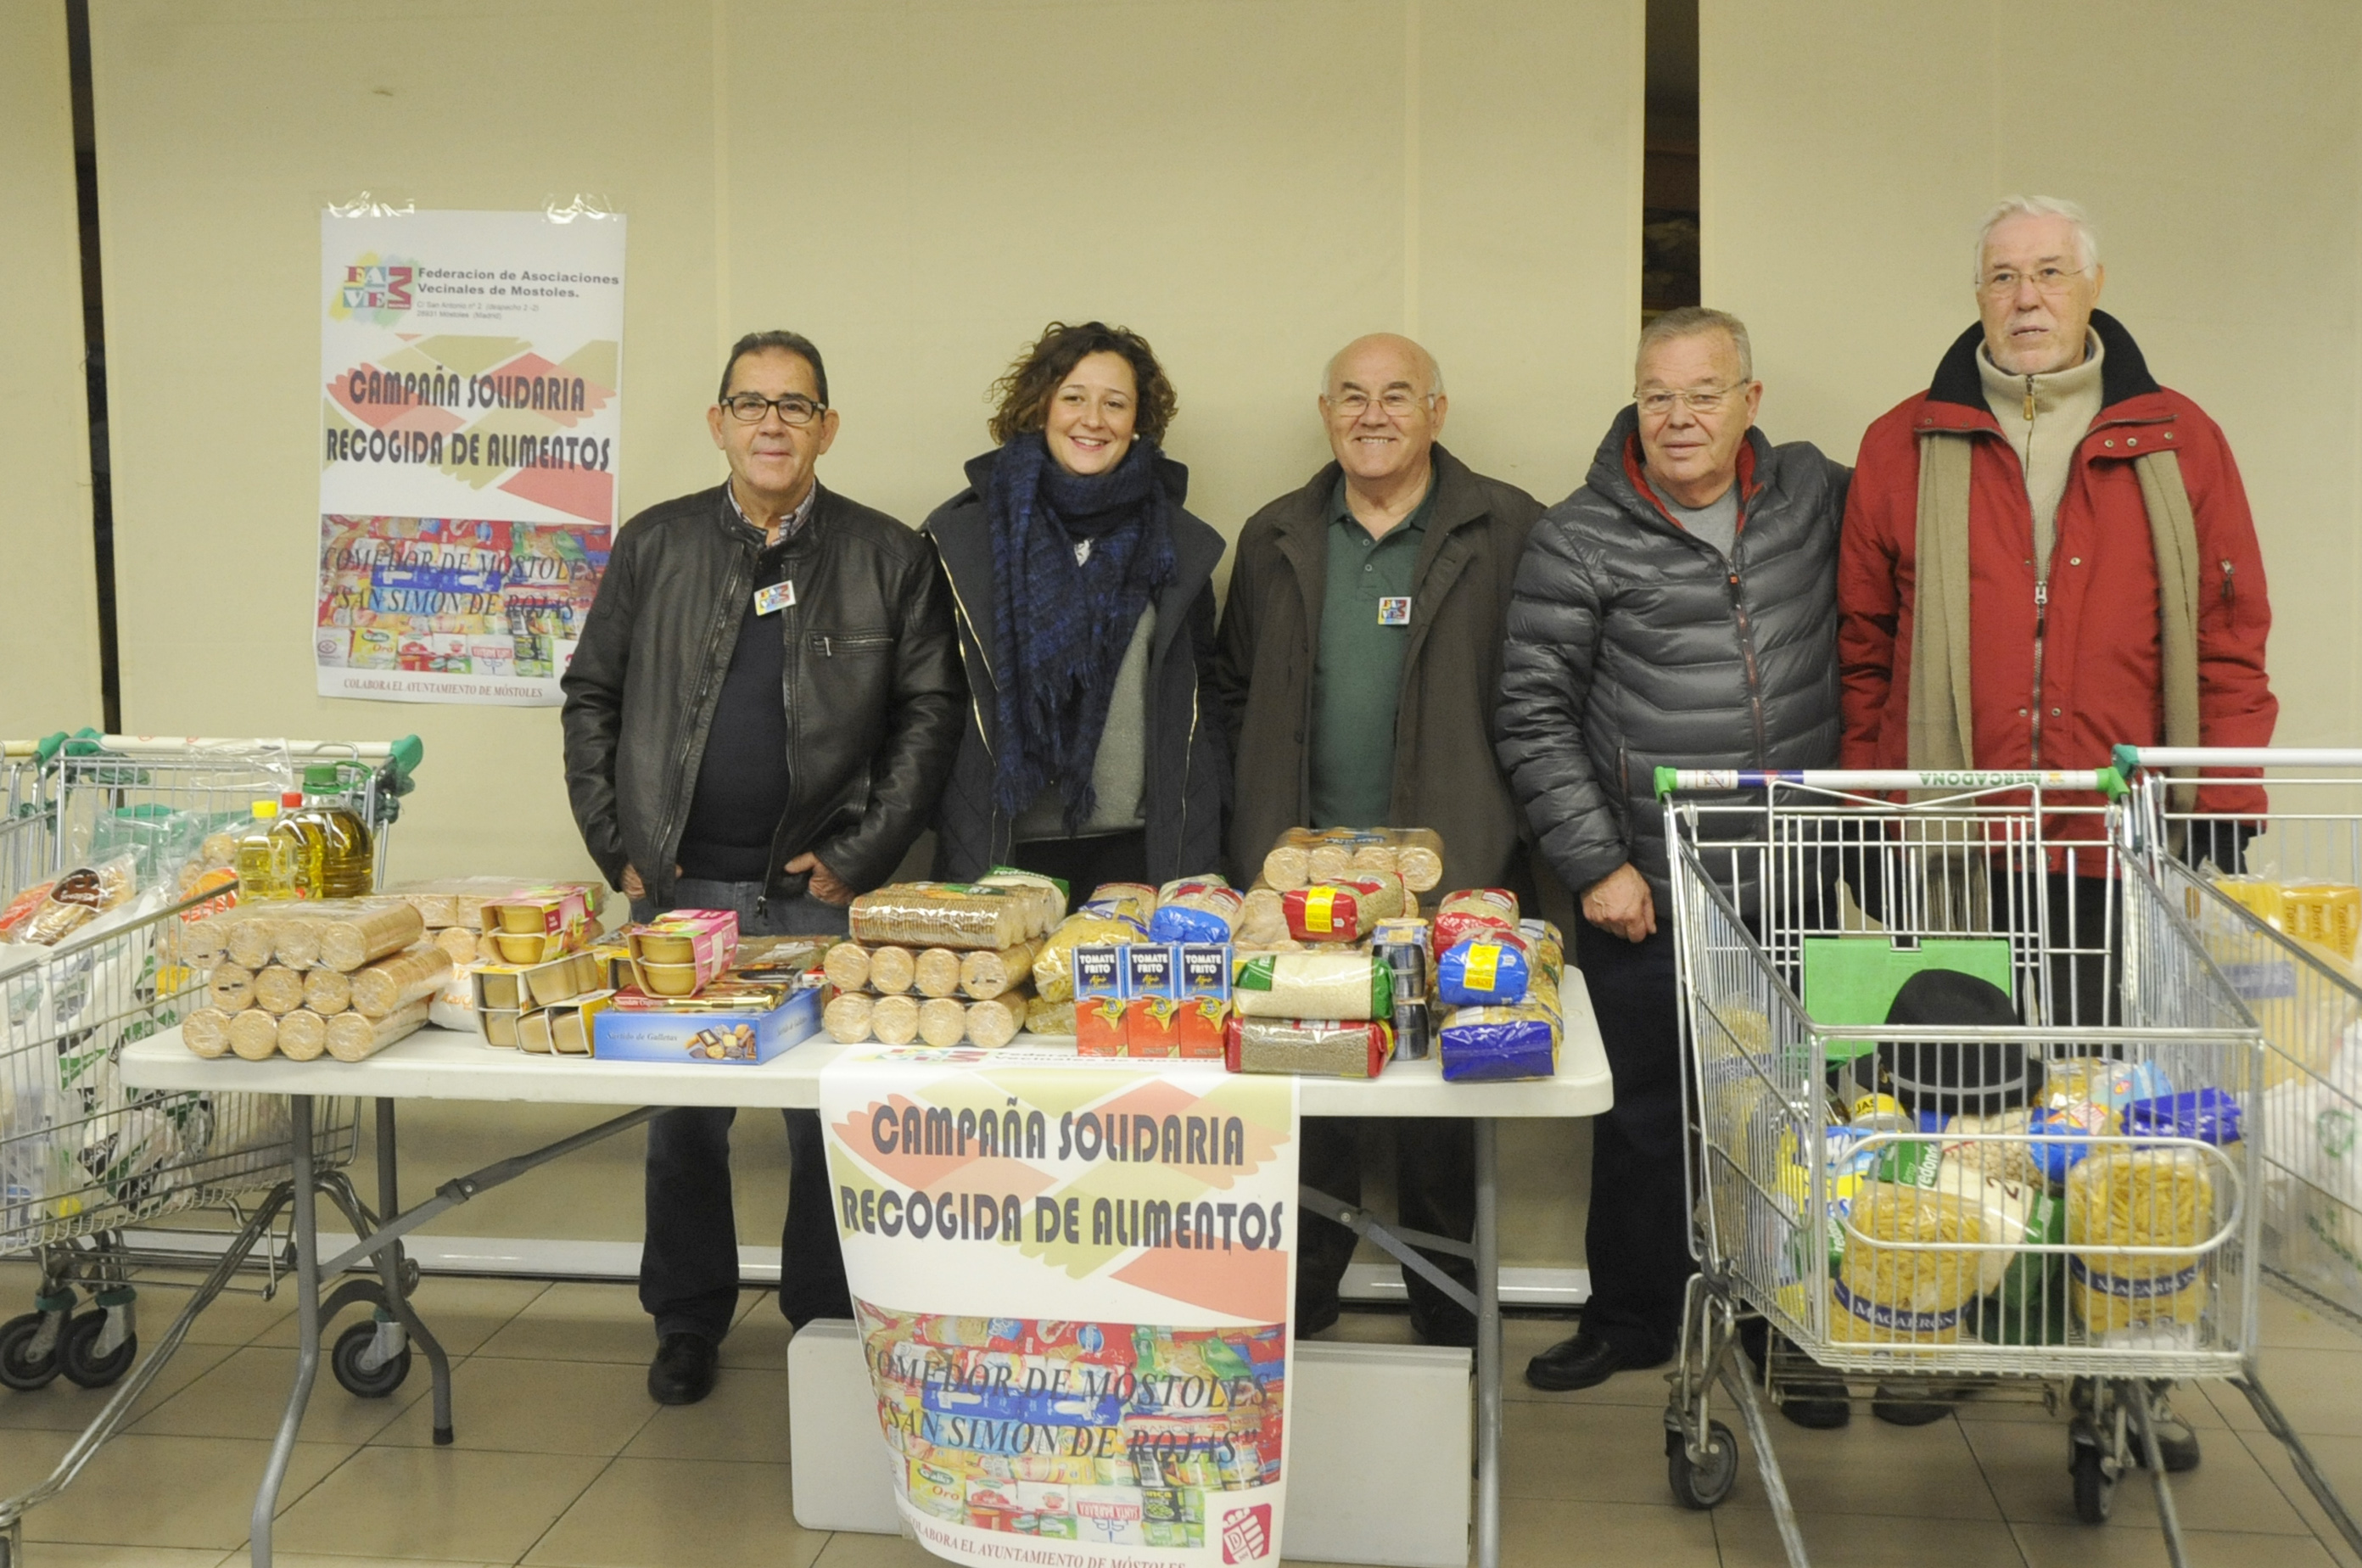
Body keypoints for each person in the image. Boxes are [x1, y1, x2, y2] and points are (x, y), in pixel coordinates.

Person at [1838, 197, 2275, 1457]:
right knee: (1959, 1111)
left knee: (2109, 1118)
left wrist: (2223, 795)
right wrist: (1873, 804)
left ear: (2093, 287)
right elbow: (1866, 647)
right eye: (2000, 277)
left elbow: (2229, 634)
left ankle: (2120, 1363)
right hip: (1956, 848)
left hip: (2108, 846)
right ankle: (1963, 1322)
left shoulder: (2179, 438)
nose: (2024, 299)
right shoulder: (1904, 440)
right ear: (1976, 293)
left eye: (2047, 274)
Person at [561, 329, 963, 1406]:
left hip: (817, 899)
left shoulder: (888, 555)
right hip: (680, 893)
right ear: (718, 423)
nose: (771, 423)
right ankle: (687, 1320)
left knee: (827, 1125)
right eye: (751, 404)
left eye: (794, 405)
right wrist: (618, 845)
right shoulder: (656, 545)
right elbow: (592, 696)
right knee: (684, 1128)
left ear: (827, 427)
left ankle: (824, 1327)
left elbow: (931, 716)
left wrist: (859, 855)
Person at [1497, 306, 1848, 1392]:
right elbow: (1531, 713)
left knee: (1792, 1114)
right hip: (1648, 887)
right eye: (1659, 396)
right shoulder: (1578, 534)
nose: (1680, 417)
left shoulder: (1816, 497)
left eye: (1704, 393)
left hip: (1795, 878)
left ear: (1751, 400)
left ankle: (1790, 1329)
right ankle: (1630, 1319)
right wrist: (1597, 865)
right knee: (1644, 1122)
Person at [1214, 333, 1544, 1347]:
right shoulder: (1274, 535)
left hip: (1451, 886)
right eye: (1351, 396)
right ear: (1325, 414)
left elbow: (1544, 696)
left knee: (1438, 1124)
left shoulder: (1509, 528)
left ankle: (1452, 1335)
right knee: (1306, 1110)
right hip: (1300, 894)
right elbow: (1232, 695)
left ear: (1437, 412)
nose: (1373, 415)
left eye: (1398, 395)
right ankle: (1298, 1327)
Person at [926, 322, 1228, 888]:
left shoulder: (1176, 544)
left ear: (1138, 422)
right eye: (1073, 398)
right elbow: (928, 705)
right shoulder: (963, 537)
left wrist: (1213, 824)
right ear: (1040, 408)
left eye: (1115, 403)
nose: (1093, 419)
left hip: (1142, 851)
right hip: (998, 849)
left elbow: (1203, 701)